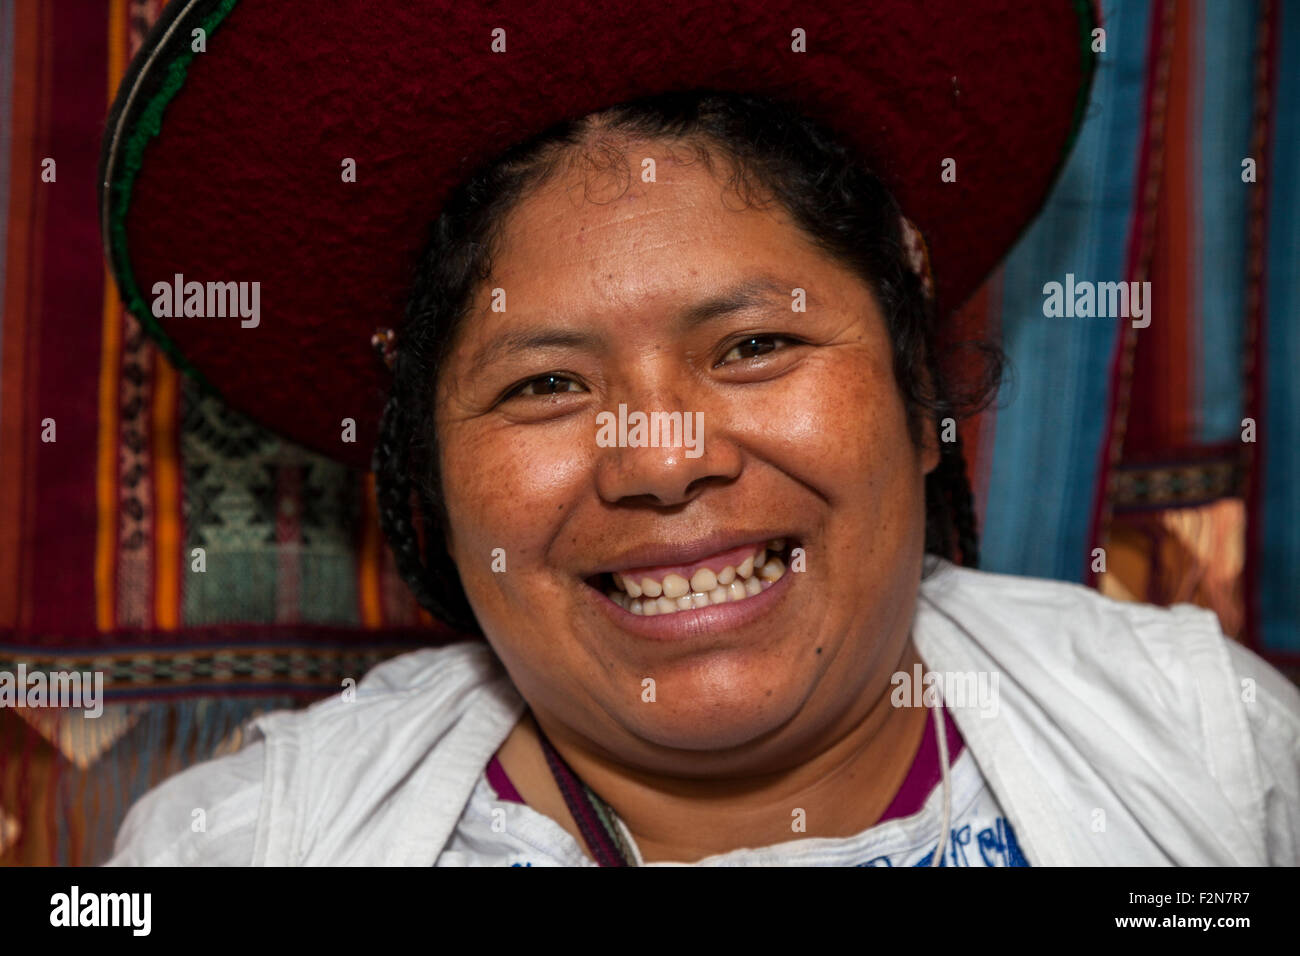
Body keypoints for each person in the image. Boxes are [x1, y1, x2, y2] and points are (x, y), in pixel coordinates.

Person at [101, 0, 1299, 866]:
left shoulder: (1214, 753)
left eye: (753, 347)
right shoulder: (242, 846)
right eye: (544, 385)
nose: (666, 456)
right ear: (428, 455)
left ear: (909, 369)